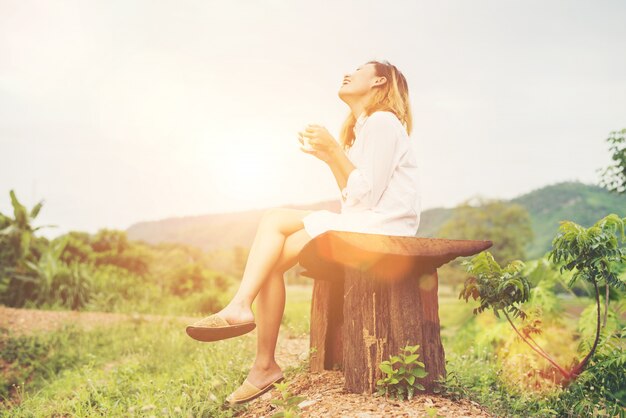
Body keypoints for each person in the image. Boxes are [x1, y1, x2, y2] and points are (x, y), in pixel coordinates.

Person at [185, 59, 421, 406]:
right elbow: (354, 198)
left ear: (378, 82)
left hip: (386, 225)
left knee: (274, 219)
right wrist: (331, 156)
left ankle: (240, 311)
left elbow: (367, 198)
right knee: (269, 261)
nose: (348, 72)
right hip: (367, 219)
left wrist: (333, 152)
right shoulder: (365, 128)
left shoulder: (384, 123)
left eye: (359, 69)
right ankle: (263, 364)